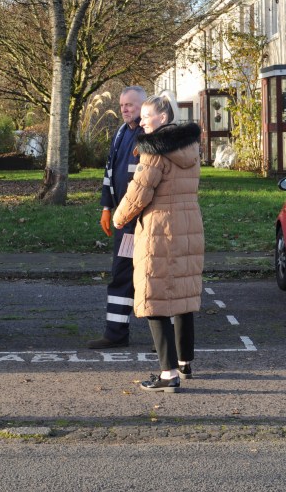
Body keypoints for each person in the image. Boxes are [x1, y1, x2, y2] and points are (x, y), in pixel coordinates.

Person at [112, 94, 203, 393]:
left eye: (146, 116)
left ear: (162, 119)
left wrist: (118, 218)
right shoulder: (190, 147)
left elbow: (139, 191)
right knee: (183, 295)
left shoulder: (154, 151)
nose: (141, 121)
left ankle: (167, 374)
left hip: (160, 229)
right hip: (188, 224)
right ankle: (185, 362)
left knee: (155, 298)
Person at [87, 86, 146, 349]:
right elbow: (110, 172)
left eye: (130, 105)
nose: (125, 109)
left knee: (152, 276)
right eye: (122, 105)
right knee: (121, 274)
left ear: (144, 106)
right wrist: (106, 207)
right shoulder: (121, 133)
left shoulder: (149, 135)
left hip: (145, 221)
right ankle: (115, 333)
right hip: (125, 222)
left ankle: (165, 337)